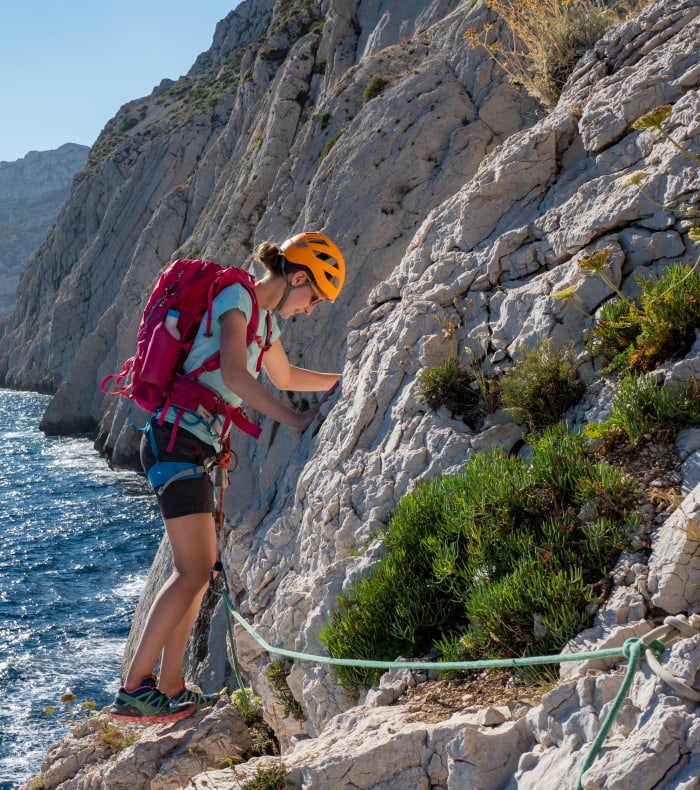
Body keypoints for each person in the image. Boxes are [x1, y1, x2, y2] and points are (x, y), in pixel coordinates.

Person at [110, 231, 345, 722]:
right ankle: (134, 687)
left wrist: (346, 377)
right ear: (298, 276)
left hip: (195, 446)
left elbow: (285, 377)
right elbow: (238, 376)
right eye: (314, 297)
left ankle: (171, 685)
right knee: (191, 570)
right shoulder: (236, 295)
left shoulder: (266, 325)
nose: (310, 309)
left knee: (199, 571)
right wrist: (296, 420)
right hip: (178, 439)